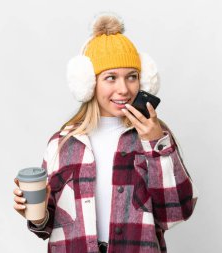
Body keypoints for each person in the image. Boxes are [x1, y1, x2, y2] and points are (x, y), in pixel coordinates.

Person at [13, 12, 198, 253]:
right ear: (89, 84)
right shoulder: (62, 144)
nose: (124, 89)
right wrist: (34, 215)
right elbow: (47, 227)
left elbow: (176, 214)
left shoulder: (155, 138)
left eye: (132, 77)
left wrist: (156, 147)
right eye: (111, 78)